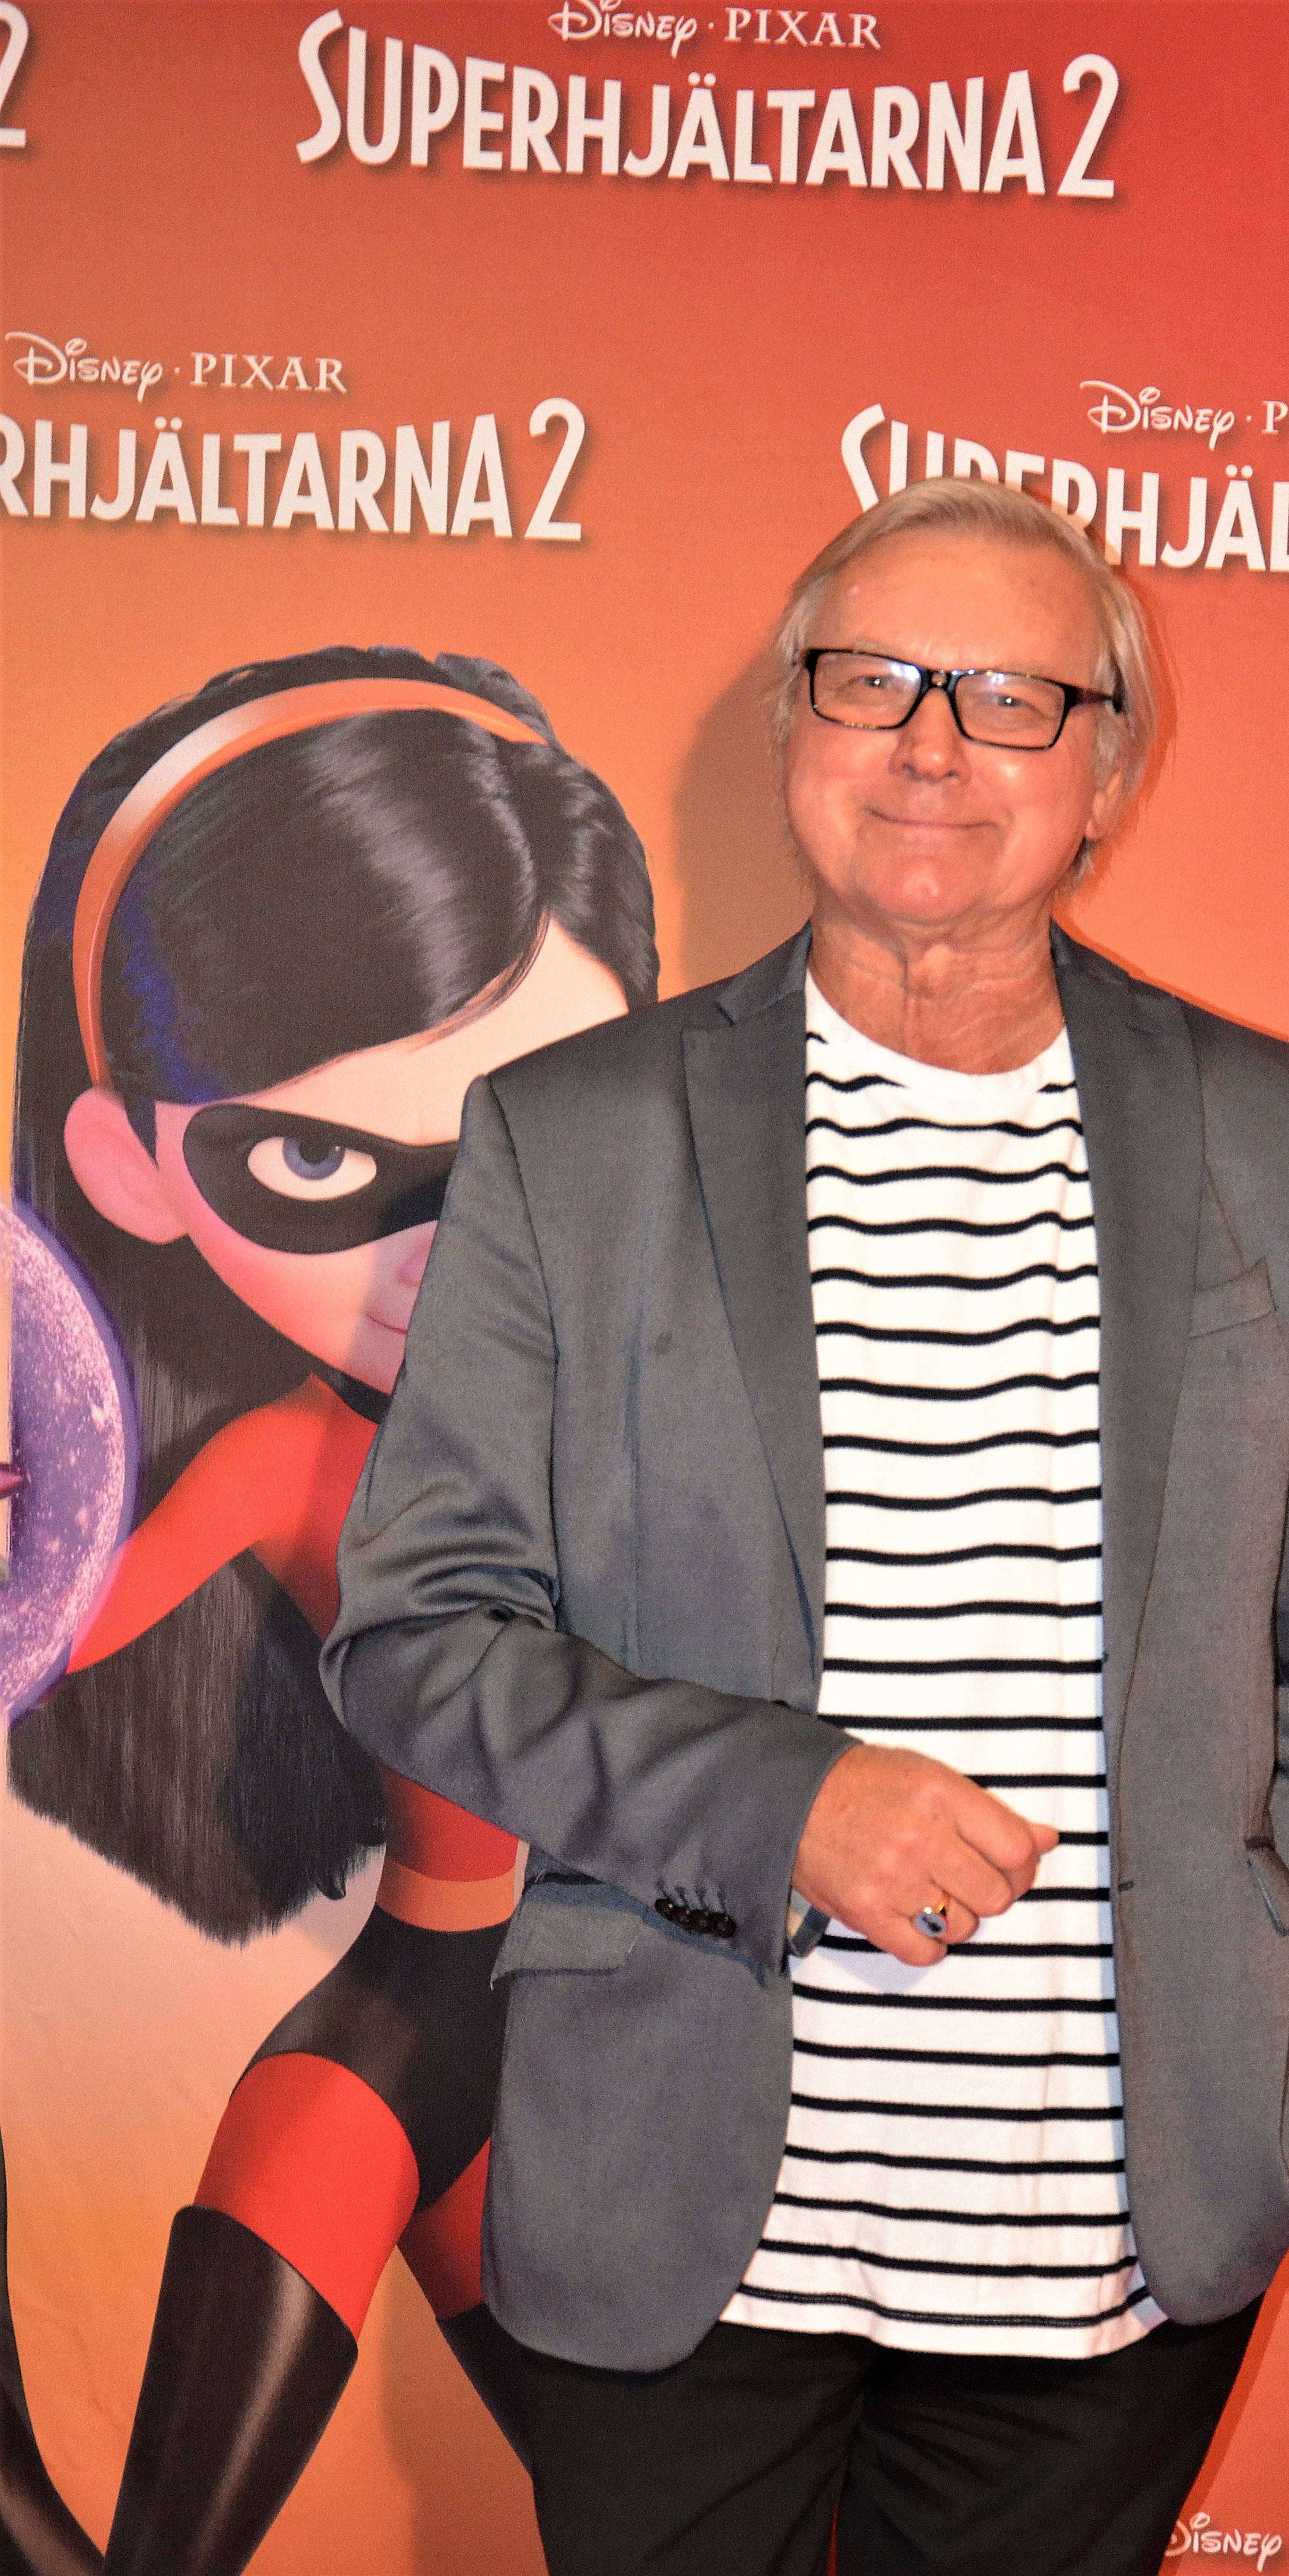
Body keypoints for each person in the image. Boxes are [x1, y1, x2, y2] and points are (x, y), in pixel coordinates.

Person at [324, 479, 1289, 2576]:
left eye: (1013, 696)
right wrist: (783, 1799)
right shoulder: (575, 1138)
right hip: (677, 2228)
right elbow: (415, 1634)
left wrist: (1280, 2074)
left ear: (1107, 769)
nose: (932, 743)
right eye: (873, 681)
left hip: (1110, 2252)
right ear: (789, 728)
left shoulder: (1277, 1139)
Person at [5, 646, 656, 2576]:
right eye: (312, 1159)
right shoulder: (290, 1457)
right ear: (128, 1171)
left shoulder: (677, 1430)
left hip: (618, 2059)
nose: (441, 1245)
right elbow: (51, 1630)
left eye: (535, 1132)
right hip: (392, 2043)